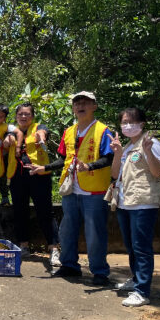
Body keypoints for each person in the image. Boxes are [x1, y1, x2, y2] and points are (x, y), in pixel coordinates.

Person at [35, 91, 114, 284]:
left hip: (94, 190)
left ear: (94, 106)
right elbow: (63, 159)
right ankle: (69, 265)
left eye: (85, 102)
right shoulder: (69, 131)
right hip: (71, 189)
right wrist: (44, 168)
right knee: (66, 230)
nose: (80, 105)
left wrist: (90, 166)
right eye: (77, 102)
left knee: (94, 233)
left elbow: (109, 157)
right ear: (73, 108)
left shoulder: (103, 131)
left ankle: (100, 272)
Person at [109, 108, 160, 306]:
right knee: (132, 246)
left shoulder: (151, 143)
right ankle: (136, 280)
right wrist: (116, 154)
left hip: (143, 202)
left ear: (142, 124)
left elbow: (158, 172)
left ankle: (142, 291)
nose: (126, 125)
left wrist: (148, 152)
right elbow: (116, 175)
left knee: (142, 248)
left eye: (131, 122)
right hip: (126, 202)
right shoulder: (125, 147)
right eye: (123, 122)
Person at [3, 103, 60, 265]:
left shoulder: (38, 127)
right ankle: (24, 246)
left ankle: (53, 248)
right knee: (20, 211)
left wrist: (41, 138)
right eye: (20, 114)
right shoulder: (11, 130)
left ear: (32, 116)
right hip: (17, 176)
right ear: (16, 116)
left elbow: (43, 132)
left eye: (27, 114)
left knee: (45, 212)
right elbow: (7, 142)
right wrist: (8, 142)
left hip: (39, 174)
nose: (23, 116)